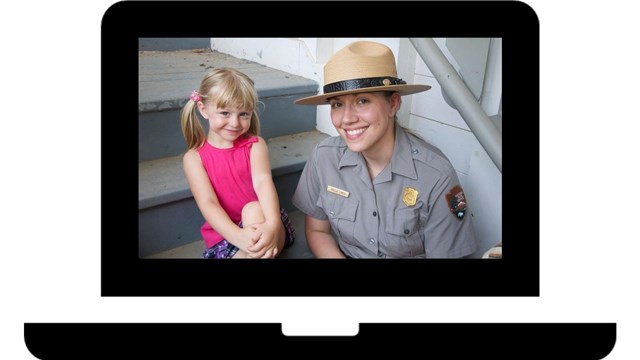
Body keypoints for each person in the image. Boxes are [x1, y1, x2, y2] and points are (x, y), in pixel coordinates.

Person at [292, 41, 478, 258]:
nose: (347, 119)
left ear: (393, 104)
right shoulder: (324, 158)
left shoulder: (436, 176)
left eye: (362, 101)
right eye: (337, 104)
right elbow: (317, 229)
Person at [180, 67, 295, 259]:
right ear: (203, 109)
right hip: (226, 234)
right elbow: (208, 203)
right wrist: (238, 236)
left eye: (244, 114)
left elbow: (263, 183)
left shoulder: (255, 146)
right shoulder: (194, 159)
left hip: (266, 222)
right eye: (225, 113)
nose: (235, 123)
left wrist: (273, 224)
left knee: (253, 209)